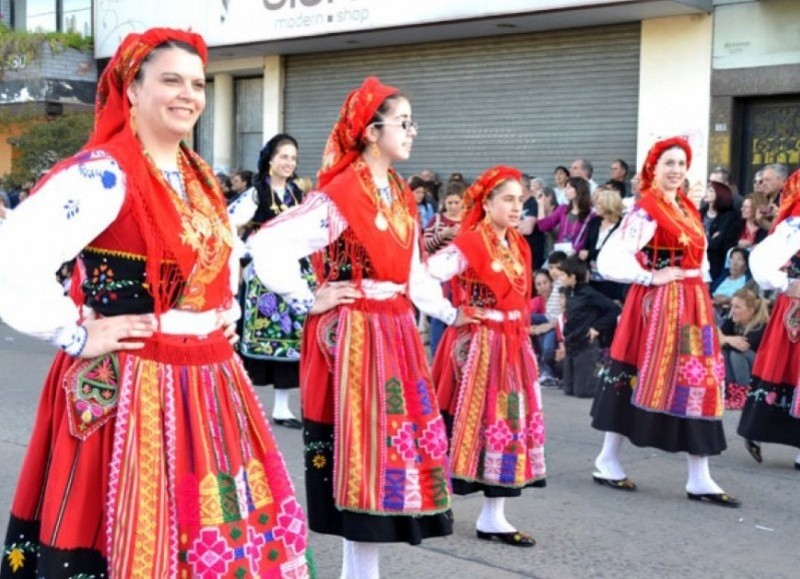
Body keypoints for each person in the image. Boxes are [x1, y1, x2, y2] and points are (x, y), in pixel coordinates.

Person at [0, 28, 310, 578]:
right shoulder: (104, 173)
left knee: (211, 530)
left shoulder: (196, 178)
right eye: (170, 80)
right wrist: (75, 332)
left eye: (196, 83)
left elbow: (221, 259)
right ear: (132, 89)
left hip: (207, 378)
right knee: (127, 530)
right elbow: (13, 256)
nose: (188, 94)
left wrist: (223, 317)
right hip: (131, 382)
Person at [247, 76, 474, 578]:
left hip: (393, 331)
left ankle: (360, 571)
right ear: (372, 132)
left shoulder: (399, 193)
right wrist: (310, 298)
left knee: (388, 451)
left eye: (413, 123)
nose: (413, 132)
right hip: (355, 336)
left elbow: (413, 274)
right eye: (403, 123)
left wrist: (452, 315)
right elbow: (268, 244)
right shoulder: (342, 192)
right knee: (361, 448)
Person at [590, 136, 739, 507]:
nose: (675, 171)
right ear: (653, 169)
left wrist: (705, 302)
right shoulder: (646, 211)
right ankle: (608, 459)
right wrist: (650, 277)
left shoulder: (686, 208)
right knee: (638, 373)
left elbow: (701, 264)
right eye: (668, 163)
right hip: (657, 308)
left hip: (693, 305)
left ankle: (698, 475)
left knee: (697, 381)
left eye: (681, 164)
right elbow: (609, 260)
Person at [428, 165, 545, 547]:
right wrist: (451, 313)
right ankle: (435, 501)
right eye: (508, 199)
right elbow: (428, 272)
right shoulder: (472, 241)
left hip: (512, 343)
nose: (516, 207)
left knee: (507, 424)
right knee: (458, 420)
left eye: (520, 200)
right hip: (477, 345)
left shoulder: (518, 243)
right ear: (488, 202)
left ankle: (494, 517)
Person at [228, 133, 309, 428]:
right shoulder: (256, 193)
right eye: (284, 156)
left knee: (289, 340)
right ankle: (239, 402)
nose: (289, 163)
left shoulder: (297, 195)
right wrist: (243, 253)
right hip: (264, 277)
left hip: (293, 271)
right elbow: (229, 222)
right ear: (270, 159)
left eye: (293, 158)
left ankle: (282, 408)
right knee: (256, 339)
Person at [737, 168, 800, 470]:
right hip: (796, 302)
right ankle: (756, 431)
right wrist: (785, 282)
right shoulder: (795, 215)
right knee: (781, 365)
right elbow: (764, 257)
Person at [558, 256, 620, 398]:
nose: (560, 278)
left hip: (586, 344)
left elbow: (614, 309)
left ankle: (610, 381)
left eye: (563, 275)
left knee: (583, 392)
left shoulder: (589, 293)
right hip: (572, 343)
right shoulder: (568, 291)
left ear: (572, 276)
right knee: (569, 390)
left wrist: (597, 327)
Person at [423, 181, 464, 357]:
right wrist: (444, 235)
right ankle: (438, 353)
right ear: (444, 203)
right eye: (450, 203)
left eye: (457, 202)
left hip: (463, 276)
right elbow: (425, 245)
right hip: (441, 277)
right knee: (440, 314)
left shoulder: (470, 220)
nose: (454, 207)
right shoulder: (437, 220)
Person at [718, 286, 768, 410]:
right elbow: (715, 340)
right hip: (745, 366)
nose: (732, 310)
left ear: (750, 310)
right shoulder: (733, 320)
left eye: (737, 307)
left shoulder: (760, 325)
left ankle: (743, 392)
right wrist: (727, 339)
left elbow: (742, 346)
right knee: (723, 352)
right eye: (732, 306)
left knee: (737, 354)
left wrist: (724, 339)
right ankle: (731, 391)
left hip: (761, 371)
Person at [581, 185, 626, 302]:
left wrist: (589, 253)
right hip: (593, 276)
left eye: (600, 203)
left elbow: (616, 251)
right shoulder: (594, 222)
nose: (596, 206)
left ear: (609, 204)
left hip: (612, 278)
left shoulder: (622, 226)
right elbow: (588, 244)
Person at [534, 176, 593, 256]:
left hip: (576, 257)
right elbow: (544, 226)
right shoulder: (563, 209)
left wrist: (575, 250)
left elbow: (587, 239)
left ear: (579, 190)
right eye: (565, 187)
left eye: (569, 188)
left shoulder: (591, 215)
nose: (565, 190)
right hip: (560, 254)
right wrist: (540, 204)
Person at [701, 181, 741, 281]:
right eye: (707, 190)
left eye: (710, 191)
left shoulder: (729, 217)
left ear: (719, 195)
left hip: (716, 263)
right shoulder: (699, 213)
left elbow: (718, 244)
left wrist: (705, 240)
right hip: (698, 261)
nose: (706, 193)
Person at [710, 247, 751, 322]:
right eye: (732, 259)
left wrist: (728, 300)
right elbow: (710, 293)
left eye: (739, 259)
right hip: (712, 309)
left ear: (746, 265)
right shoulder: (722, 277)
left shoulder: (748, 281)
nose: (734, 263)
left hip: (731, 315)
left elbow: (747, 300)